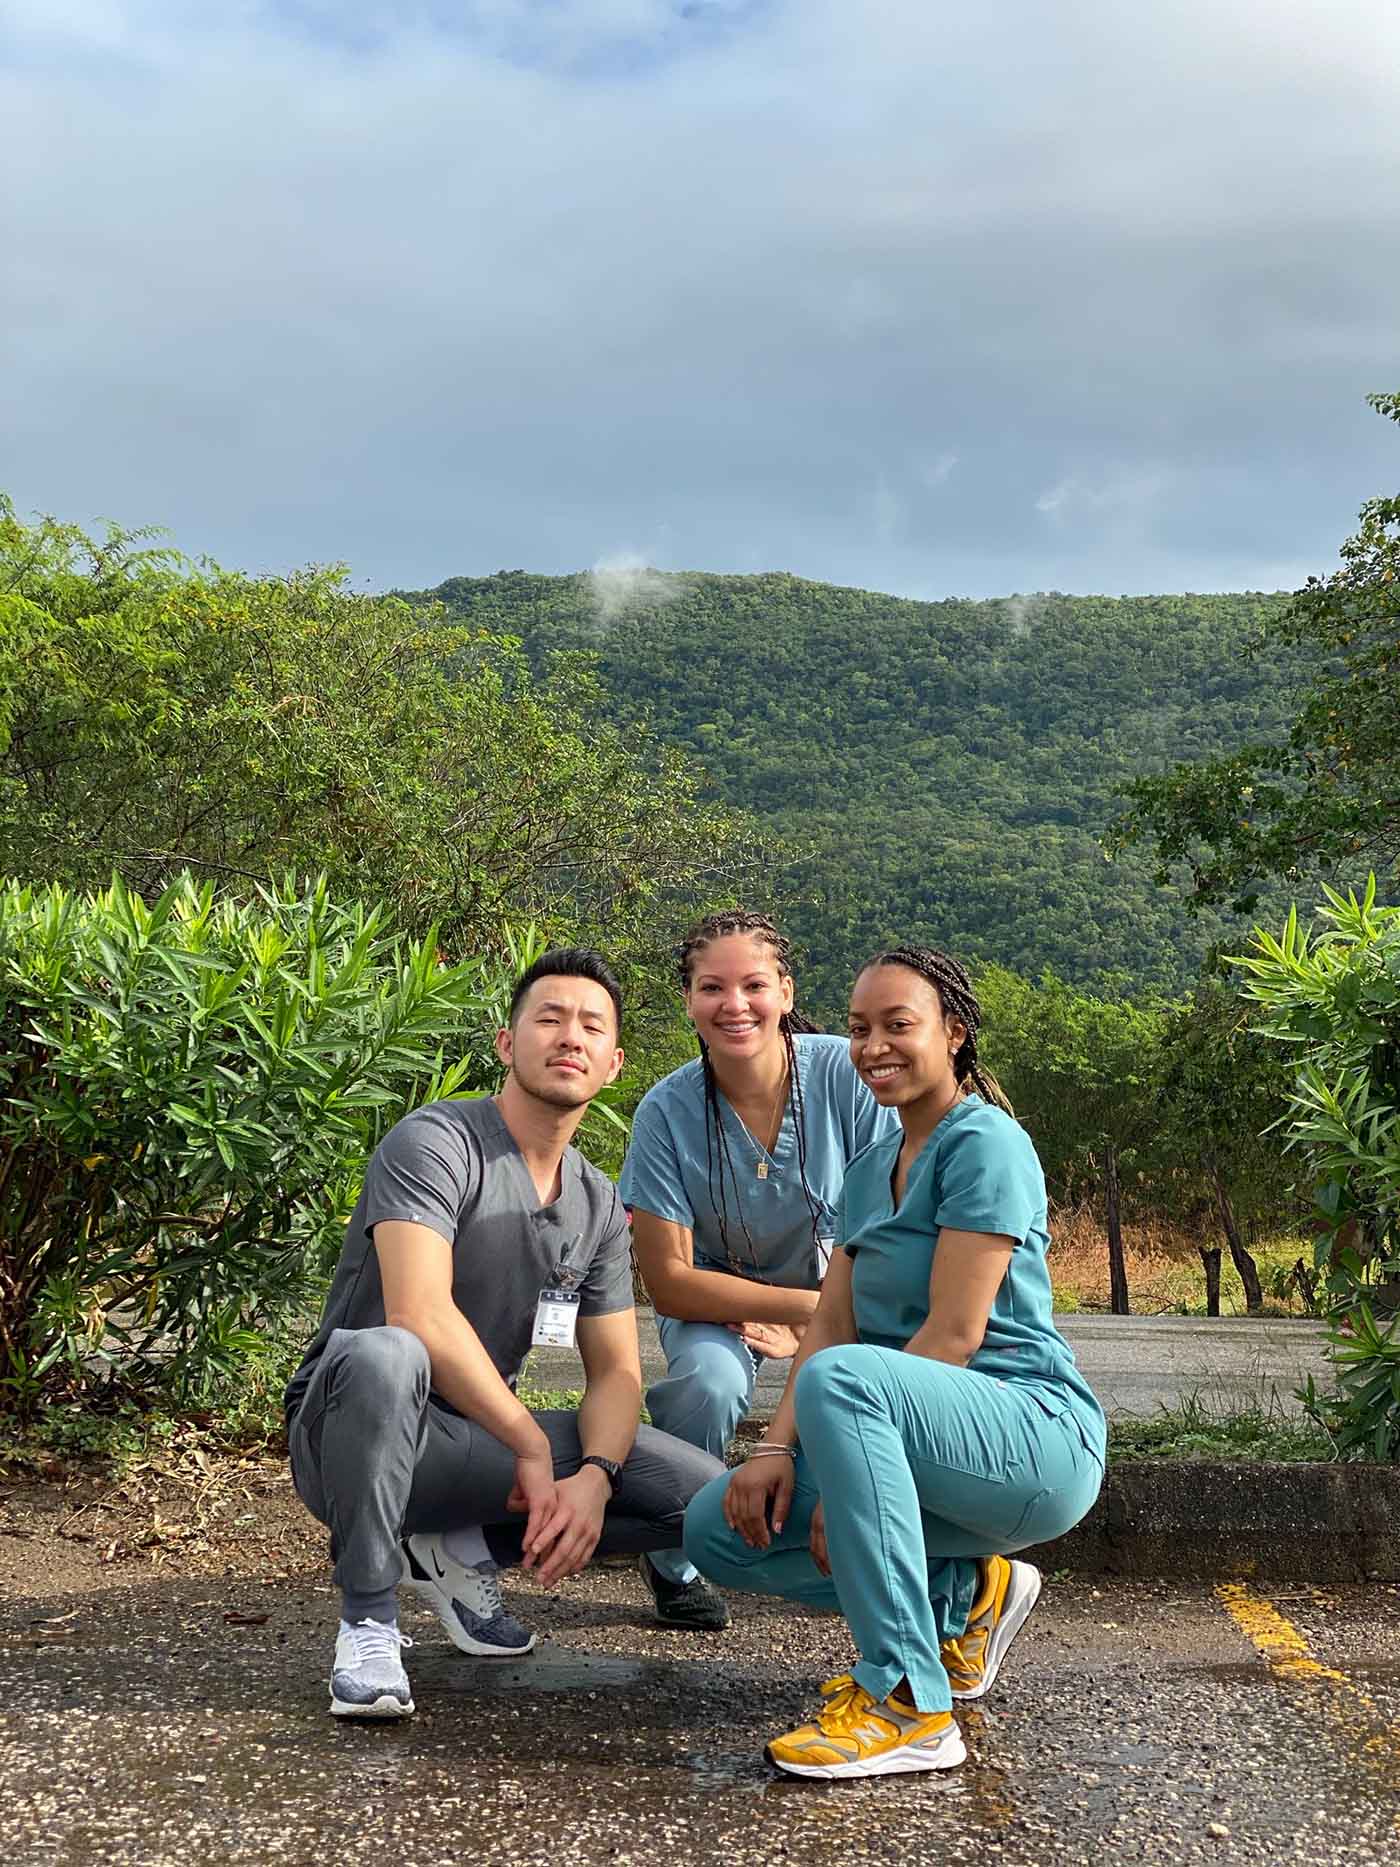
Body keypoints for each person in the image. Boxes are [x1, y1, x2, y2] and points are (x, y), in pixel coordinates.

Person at [683, 945, 1106, 1780]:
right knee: (717, 1527)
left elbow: (952, 1333)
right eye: (858, 1029)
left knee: (848, 1384)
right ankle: (965, 1601)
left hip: (1031, 1436)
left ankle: (910, 1702)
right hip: (916, 1434)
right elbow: (830, 1324)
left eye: (897, 1025)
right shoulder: (871, 1169)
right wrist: (775, 1451)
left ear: (952, 1033)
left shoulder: (986, 1142)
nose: (873, 1045)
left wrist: (852, 1483)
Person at [284, 946, 723, 1720]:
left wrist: (592, 1473)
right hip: (351, 1430)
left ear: (614, 1062)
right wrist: (527, 1442)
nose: (570, 1036)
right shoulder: (436, 1142)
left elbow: (618, 1371)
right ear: (505, 1041)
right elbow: (416, 1312)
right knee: (388, 1352)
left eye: (591, 1025)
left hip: (465, 1447)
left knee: (701, 1496)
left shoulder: (596, 1201)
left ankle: (457, 1549)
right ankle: (368, 1623)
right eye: (549, 1017)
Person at [618, 909, 898, 1631]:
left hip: (851, 1292)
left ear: (786, 988)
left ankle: (884, 1548)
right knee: (706, 1385)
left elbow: (893, 1228)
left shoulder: (847, 1076)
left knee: (874, 1390)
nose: (734, 1004)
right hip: (724, 1298)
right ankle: (673, 1551)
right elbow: (670, 1279)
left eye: (753, 984)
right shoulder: (665, 1111)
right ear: (688, 1000)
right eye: (712, 986)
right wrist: (795, 1308)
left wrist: (818, 1314)